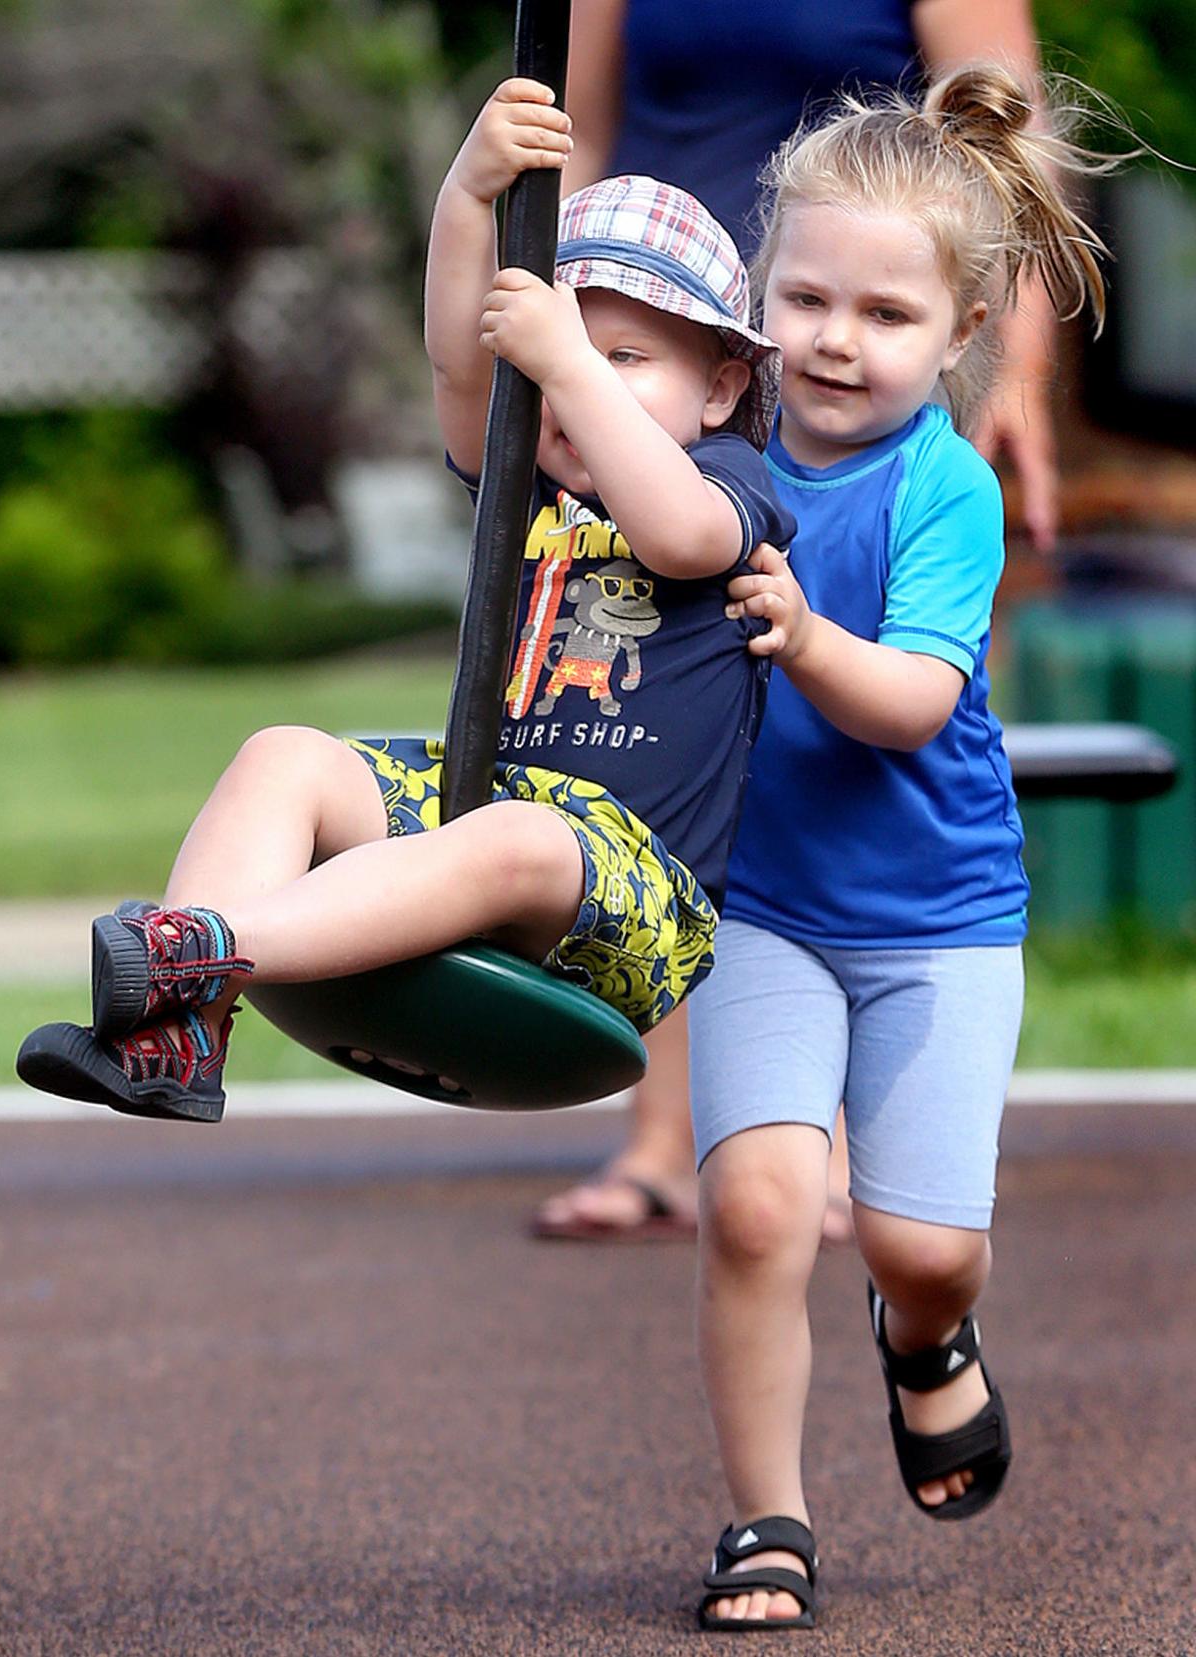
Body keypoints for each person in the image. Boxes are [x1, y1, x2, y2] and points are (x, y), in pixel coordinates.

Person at [15, 79, 795, 1123]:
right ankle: (183, 1030)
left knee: (515, 838)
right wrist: (469, 194)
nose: (582, 386)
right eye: (571, 351)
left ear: (718, 392)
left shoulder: (722, 484)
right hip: (492, 806)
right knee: (283, 756)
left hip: (638, 893)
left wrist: (563, 356)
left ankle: (209, 947)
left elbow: (676, 535)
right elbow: (457, 364)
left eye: (627, 360)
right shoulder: (525, 477)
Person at [689, 65, 1110, 1630]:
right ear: (762, 291)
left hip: (937, 914)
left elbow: (914, 704)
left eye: (882, 315)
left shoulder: (946, 487)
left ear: (958, 339)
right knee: (757, 1207)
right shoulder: (717, 444)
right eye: (802, 296)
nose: (832, 339)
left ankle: (924, 1336)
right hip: (764, 904)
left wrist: (798, 632)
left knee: (924, 1246)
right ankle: (766, 1520)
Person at [533, 0, 1057, 1243]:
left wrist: (1014, 376)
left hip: (873, 327)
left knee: (834, 716)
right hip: (691, 362)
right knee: (657, 743)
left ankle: (818, 1124)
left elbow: (1011, 134)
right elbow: (588, 133)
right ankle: (683, 1132)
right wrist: (566, 353)